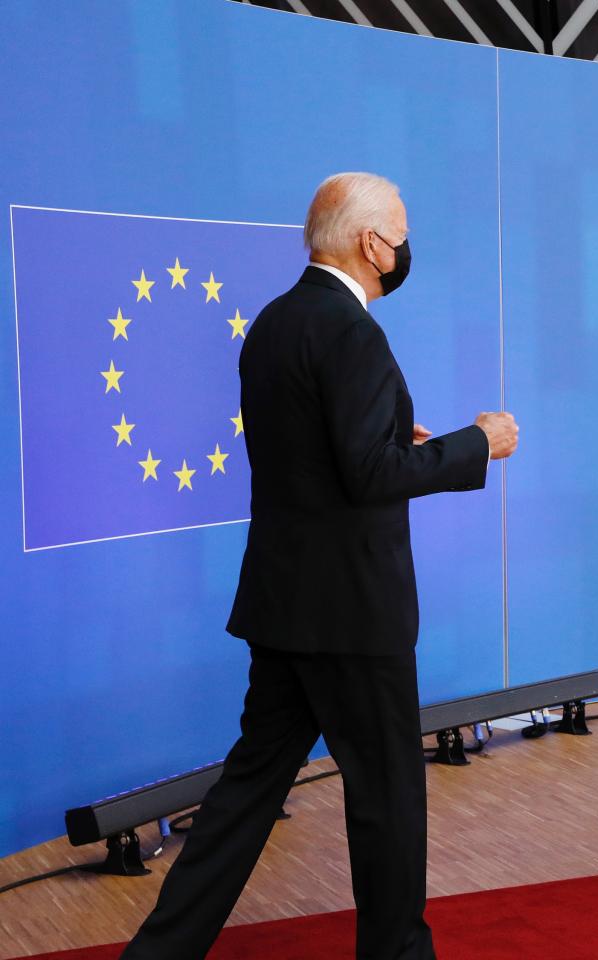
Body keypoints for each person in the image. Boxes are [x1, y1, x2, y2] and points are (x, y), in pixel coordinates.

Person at [120, 172, 519, 960]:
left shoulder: (274, 322)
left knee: (244, 796)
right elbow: (367, 477)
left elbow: (319, 454)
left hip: (282, 602)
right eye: (400, 231)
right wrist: (477, 444)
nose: (405, 246)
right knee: (388, 799)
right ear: (374, 244)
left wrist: (397, 440)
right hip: (354, 616)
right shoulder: (352, 332)